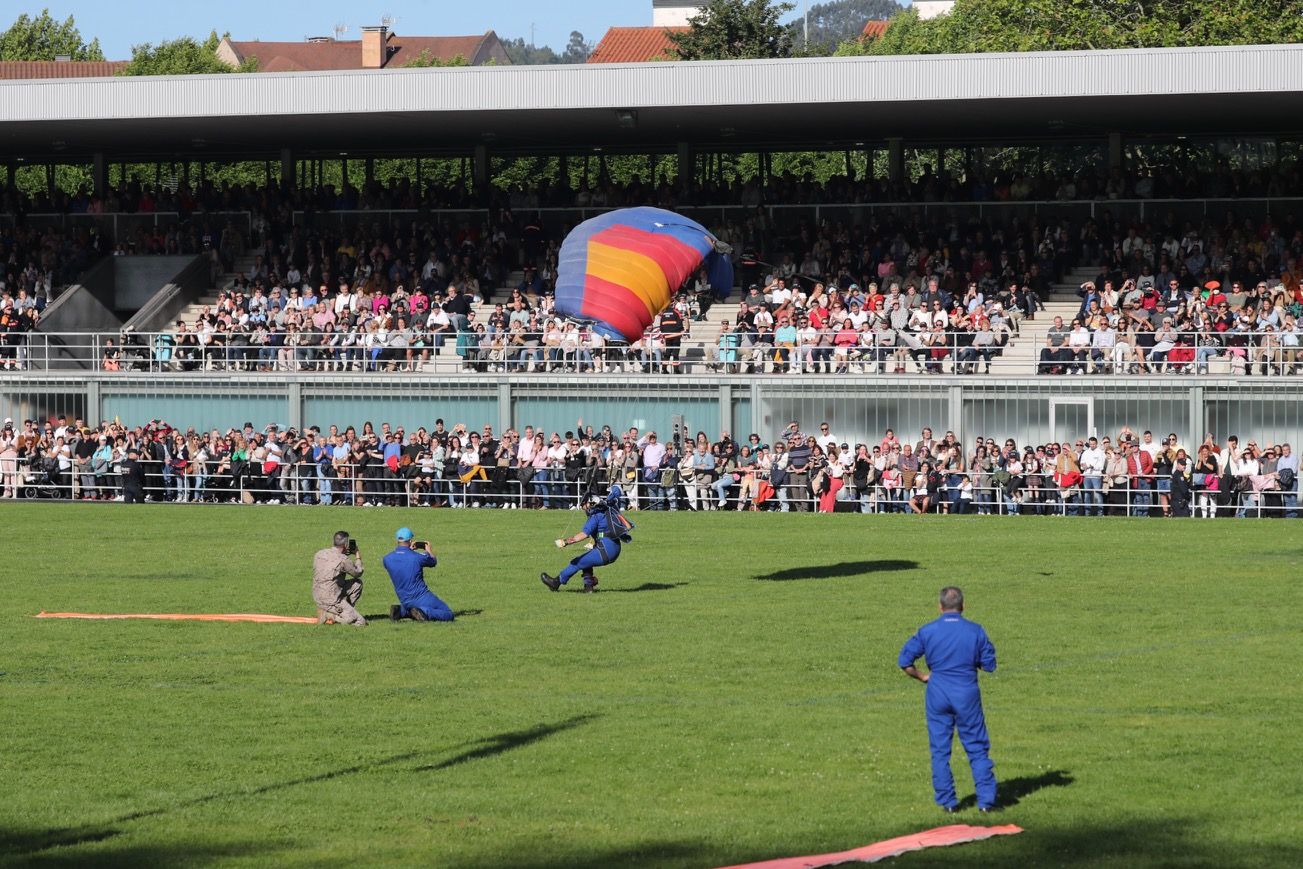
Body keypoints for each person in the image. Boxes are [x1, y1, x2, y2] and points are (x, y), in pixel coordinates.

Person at [898, 586, 998, 813]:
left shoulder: (927, 631)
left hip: (937, 692)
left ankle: (948, 803)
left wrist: (923, 676)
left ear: (940, 607)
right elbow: (989, 665)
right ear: (963, 606)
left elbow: (905, 661)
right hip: (966, 693)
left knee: (940, 750)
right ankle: (986, 802)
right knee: (977, 747)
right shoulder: (975, 631)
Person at [541, 487, 633, 593]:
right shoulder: (607, 509)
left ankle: (556, 582)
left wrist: (565, 542)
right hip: (615, 548)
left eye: (583, 504)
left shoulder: (595, 516)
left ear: (590, 503)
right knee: (586, 560)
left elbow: (583, 535)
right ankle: (588, 587)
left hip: (606, 550)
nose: (583, 508)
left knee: (577, 562)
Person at [382, 527, 453, 621]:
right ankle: (424, 612)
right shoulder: (417, 557)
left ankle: (401, 612)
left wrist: (409, 551)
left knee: (412, 607)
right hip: (422, 596)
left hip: (404, 600)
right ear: (410, 541)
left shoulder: (387, 559)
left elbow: (403, 563)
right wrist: (429, 550)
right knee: (448, 613)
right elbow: (433, 561)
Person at [312, 530, 366, 626]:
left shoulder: (319, 554)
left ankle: (343, 610)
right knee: (360, 622)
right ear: (346, 544)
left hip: (317, 594)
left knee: (356, 584)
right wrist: (358, 557)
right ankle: (330, 615)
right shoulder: (343, 560)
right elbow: (357, 573)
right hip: (330, 599)